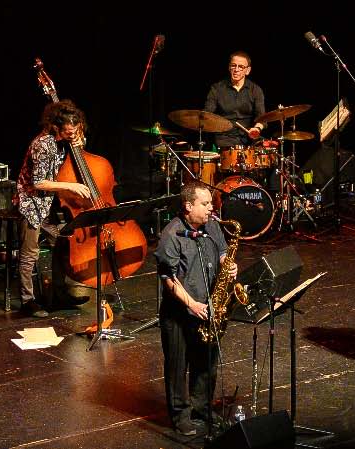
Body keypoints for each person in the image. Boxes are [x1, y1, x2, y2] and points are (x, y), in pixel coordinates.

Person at [155, 182, 236, 436]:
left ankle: (202, 408)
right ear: (189, 206)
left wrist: (230, 266)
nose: (211, 208)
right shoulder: (171, 235)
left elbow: (222, 253)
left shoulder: (212, 225)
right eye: (205, 204)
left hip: (209, 305)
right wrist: (192, 304)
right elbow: (169, 281)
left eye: (211, 203)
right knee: (178, 367)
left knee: (206, 362)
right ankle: (181, 416)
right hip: (179, 311)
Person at [14, 100, 94, 317]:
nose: (73, 134)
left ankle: (59, 293)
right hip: (30, 201)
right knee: (30, 253)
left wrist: (80, 141)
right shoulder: (43, 144)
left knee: (61, 244)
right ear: (56, 126)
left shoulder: (66, 140)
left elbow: (78, 150)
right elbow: (38, 182)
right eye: (69, 130)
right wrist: (71, 186)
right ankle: (27, 301)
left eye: (76, 129)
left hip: (49, 201)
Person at [203, 51, 266, 150]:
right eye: (233, 65)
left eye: (241, 67)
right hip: (223, 140)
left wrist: (257, 129)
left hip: (248, 140)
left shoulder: (255, 90)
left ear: (248, 70)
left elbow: (262, 118)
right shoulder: (216, 89)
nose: (236, 69)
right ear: (229, 67)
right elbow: (207, 115)